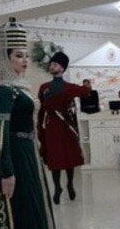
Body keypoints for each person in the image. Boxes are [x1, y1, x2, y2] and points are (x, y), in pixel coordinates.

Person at [0, 17, 62, 229]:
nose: (24, 60)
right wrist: (6, 171)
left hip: (29, 154)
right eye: (18, 55)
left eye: (27, 55)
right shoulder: (5, 90)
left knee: (32, 210)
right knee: (22, 212)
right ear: (6, 58)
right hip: (16, 155)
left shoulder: (21, 87)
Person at [37, 52, 91, 205]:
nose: (51, 66)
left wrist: (87, 86)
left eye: (55, 64)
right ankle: (57, 188)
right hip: (51, 126)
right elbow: (42, 108)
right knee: (55, 158)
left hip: (66, 127)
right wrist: (39, 126)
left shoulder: (69, 87)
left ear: (62, 68)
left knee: (68, 158)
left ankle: (70, 184)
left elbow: (85, 92)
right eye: (51, 64)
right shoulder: (44, 87)